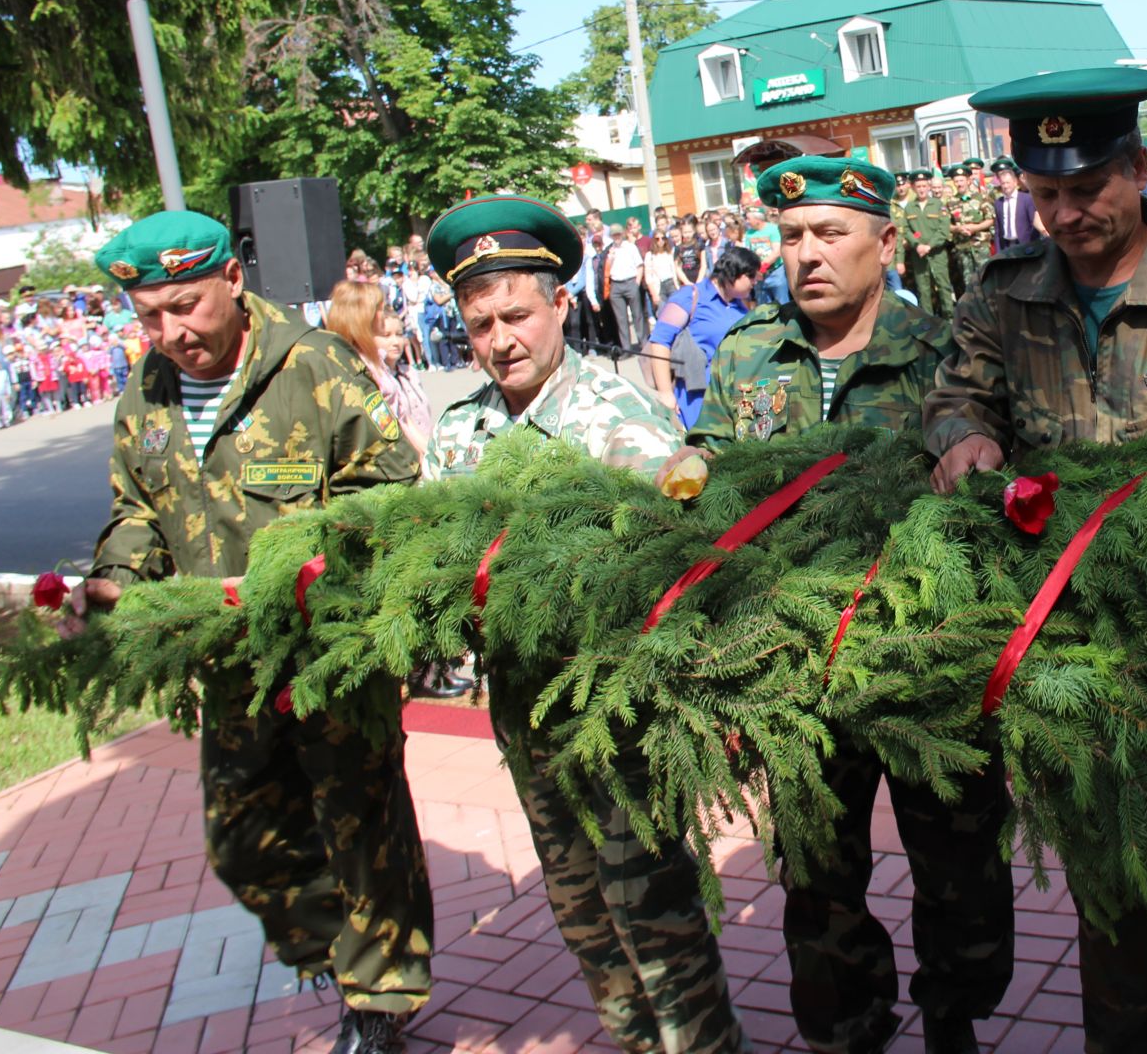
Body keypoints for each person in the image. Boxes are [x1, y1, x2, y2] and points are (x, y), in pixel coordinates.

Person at [924, 67, 1147, 1054]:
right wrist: (964, 436)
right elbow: (958, 394)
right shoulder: (1001, 299)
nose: (1066, 215)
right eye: (1045, 195)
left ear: (1137, 169)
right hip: (1069, 646)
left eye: (1087, 189)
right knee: (1108, 881)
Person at [662, 158, 1013, 1054]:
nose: (807, 255)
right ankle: (848, 1026)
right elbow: (708, 450)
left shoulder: (944, 352)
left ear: (886, 242)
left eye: (831, 233)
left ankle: (952, 1016)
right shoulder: (750, 350)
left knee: (960, 867)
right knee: (818, 876)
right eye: (791, 237)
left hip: (924, 658)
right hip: (795, 668)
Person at [73, 211, 434, 1054]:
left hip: (332, 656)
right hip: (230, 663)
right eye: (149, 318)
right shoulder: (148, 391)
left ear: (233, 280)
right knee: (240, 838)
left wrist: (302, 570)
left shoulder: (314, 366)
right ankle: (330, 950)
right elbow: (137, 513)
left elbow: (390, 492)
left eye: (186, 306)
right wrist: (118, 579)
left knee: (361, 828)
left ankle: (378, 1005)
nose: (171, 334)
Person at [421, 195, 750, 1053]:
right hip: (527, 720)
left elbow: (683, 548)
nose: (501, 339)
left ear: (561, 304)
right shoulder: (461, 434)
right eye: (481, 321)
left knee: (655, 919)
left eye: (518, 315)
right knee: (584, 921)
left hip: (620, 719)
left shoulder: (615, 420)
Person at [644, 244, 760, 429]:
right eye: (752, 275)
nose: (755, 281)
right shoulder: (690, 296)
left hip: (734, 398)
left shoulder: (740, 305)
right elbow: (659, 342)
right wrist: (665, 393)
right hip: (697, 399)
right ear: (733, 273)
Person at [324, 280, 435, 461]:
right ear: (360, 317)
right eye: (378, 309)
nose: (383, 315)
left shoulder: (376, 362)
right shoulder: (358, 369)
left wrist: (432, 456)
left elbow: (404, 419)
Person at [906, 170, 955, 317]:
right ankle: (929, 323)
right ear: (914, 188)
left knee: (944, 287)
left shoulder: (938, 205)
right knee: (924, 290)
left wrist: (929, 246)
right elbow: (906, 229)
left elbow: (943, 229)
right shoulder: (909, 208)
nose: (921, 189)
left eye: (924, 186)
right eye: (918, 186)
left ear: (929, 187)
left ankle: (950, 319)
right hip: (919, 255)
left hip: (937, 254)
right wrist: (917, 245)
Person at [946, 162, 995, 295]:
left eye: (962, 180)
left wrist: (975, 227)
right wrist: (958, 229)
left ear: (968, 180)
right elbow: (947, 225)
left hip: (980, 247)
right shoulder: (950, 202)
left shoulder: (981, 197)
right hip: (963, 249)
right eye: (956, 181)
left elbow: (990, 219)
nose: (959, 184)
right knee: (969, 284)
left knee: (987, 280)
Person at [605, 223, 646, 349]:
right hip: (616, 285)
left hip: (630, 282)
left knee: (637, 315)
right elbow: (606, 270)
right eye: (614, 234)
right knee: (621, 319)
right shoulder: (609, 249)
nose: (616, 236)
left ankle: (643, 344)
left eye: (618, 234)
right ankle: (626, 348)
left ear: (622, 234)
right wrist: (610, 258)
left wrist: (636, 283)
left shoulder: (630, 247)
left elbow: (639, 265)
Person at [990, 155, 1041, 252]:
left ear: (1015, 182)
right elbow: (998, 230)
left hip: (1025, 244)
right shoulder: (998, 203)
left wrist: (1033, 246)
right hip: (1007, 245)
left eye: (1008, 183)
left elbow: (1033, 224)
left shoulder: (1026, 199)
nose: (1005, 186)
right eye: (1003, 183)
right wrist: (998, 249)